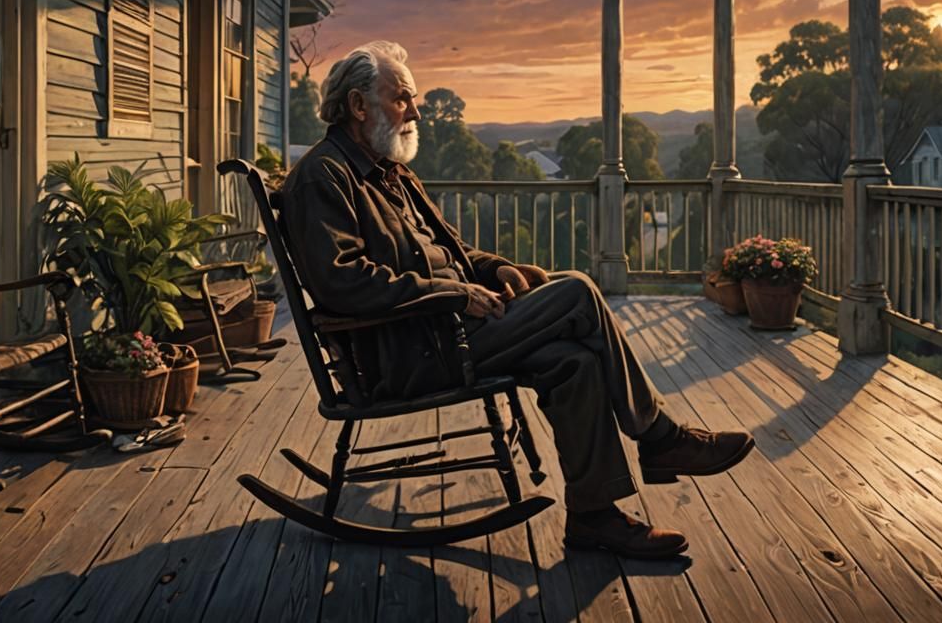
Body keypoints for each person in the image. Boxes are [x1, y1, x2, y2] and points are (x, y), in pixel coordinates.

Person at [280, 41, 754, 559]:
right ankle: (661, 436)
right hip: (409, 352)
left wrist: (496, 268)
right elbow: (341, 283)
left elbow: (455, 251)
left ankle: (594, 518)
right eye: (402, 99)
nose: (416, 111)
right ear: (357, 106)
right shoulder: (323, 177)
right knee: (576, 289)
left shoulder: (390, 174)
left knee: (572, 362)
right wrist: (455, 294)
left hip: (447, 334)